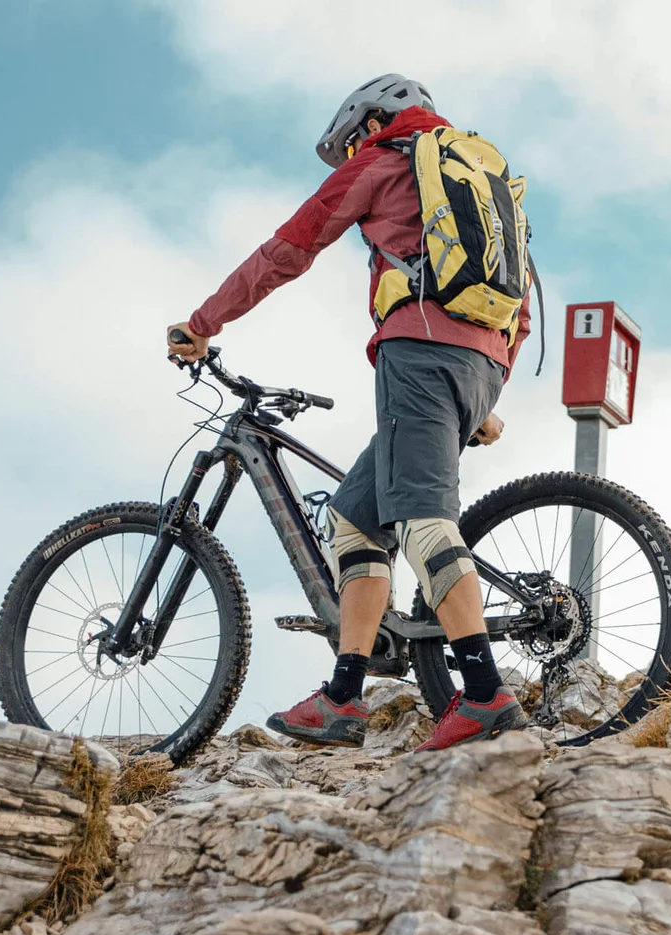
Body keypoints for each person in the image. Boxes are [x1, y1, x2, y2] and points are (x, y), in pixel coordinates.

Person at [167, 74, 529, 753]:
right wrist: (489, 387)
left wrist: (204, 321)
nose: (354, 147)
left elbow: (291, 247)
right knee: (356, 521)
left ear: (371, 123)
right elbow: (523, 295)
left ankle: (483, 694)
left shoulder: (385, 162)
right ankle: (342, 698)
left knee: (422, 521)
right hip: (482, 363)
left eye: (354, 137)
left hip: (417, 353)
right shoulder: (481, 174)